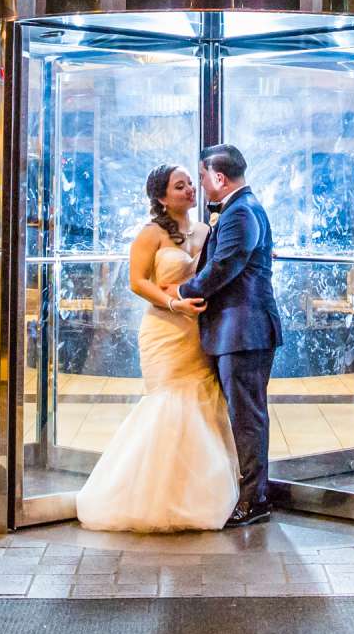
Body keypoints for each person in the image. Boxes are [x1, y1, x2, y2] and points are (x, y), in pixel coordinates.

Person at [73, 165, 239, 532]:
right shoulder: (150, 234)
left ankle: (197, 493)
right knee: (168, 403)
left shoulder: (207, 230)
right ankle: (151, 496)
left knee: (202, 404)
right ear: (162, 197)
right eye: (180, 186)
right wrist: (173, 304)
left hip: (200, 329)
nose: (190, 190)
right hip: (165, 329)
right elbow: (137, 281)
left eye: (191, 184)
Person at [180, 143, 281, 527]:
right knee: (243, 415)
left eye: (203, 177)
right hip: (237, 331)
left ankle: (255, 501)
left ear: (219, 178)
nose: (202, 185)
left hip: (244, 331)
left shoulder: (241, 212)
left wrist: (182, 292)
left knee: (247, 418)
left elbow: (224, 267)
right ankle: (246, 492)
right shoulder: (242, 209)